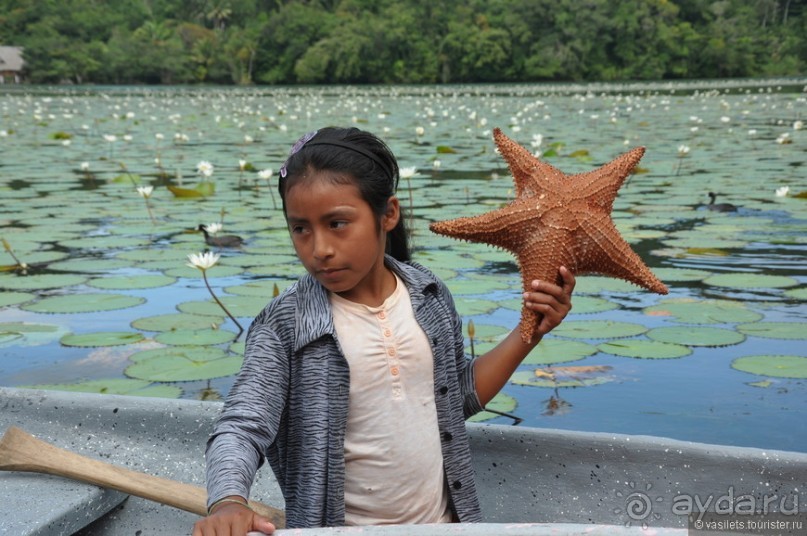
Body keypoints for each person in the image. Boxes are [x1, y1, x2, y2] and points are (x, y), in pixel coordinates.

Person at [192, 126, 575, 536]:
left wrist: (528, 333)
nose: (319, 248)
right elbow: (241, 427)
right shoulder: (286, 325)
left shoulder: (428, 295)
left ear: (387, 214)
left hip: (444, 527)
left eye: (337, 223)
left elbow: (453, 398)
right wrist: (229, 500)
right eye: (301, 228)